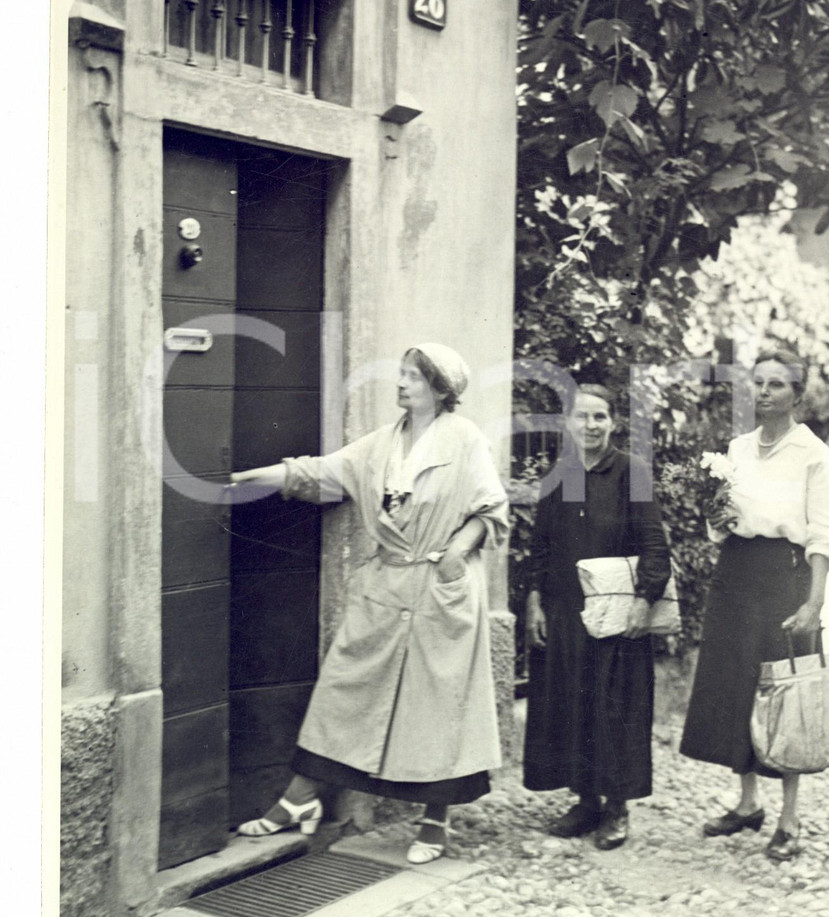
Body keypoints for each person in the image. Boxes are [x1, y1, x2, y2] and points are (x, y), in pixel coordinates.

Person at [227, 343, 509, 864]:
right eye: (401, 375)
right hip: (387, 584)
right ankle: (299, 801)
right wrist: (247, 478)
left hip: (442, 589)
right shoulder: (380, 445)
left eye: (414, 379)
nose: (401, 385)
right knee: (343, 687)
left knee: (439, 703)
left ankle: (434, 821)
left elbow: (491, 509)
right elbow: (316, 474)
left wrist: (456, 553)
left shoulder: (465, 440)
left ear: (441, 391)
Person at [679, 348, 829, 861]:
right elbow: (722, 519)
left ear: (798, 393)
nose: (765, 392)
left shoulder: (813, 454)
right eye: (759, 383)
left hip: (784, 579)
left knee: (786, 695)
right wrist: (715, 512)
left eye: (777, 384)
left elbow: (823, 534)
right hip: (737, 572)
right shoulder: (739, 448)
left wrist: (815, 602)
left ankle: (790, 816)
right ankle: (748, 803)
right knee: (735, 685)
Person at [522, 383, 672, 850]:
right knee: (572, 705)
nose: (590, 426)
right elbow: (540, 548)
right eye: (582, 417)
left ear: (614, 422)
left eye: (599, 417)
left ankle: (616, 808)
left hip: (617, 616)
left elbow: (654, 545)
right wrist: (532, 601)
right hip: (566, 611)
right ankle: (585, 802)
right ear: (568, 422)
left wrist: (644, 602)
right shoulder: (558, 476)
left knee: (615, 710)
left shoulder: (633, 471)